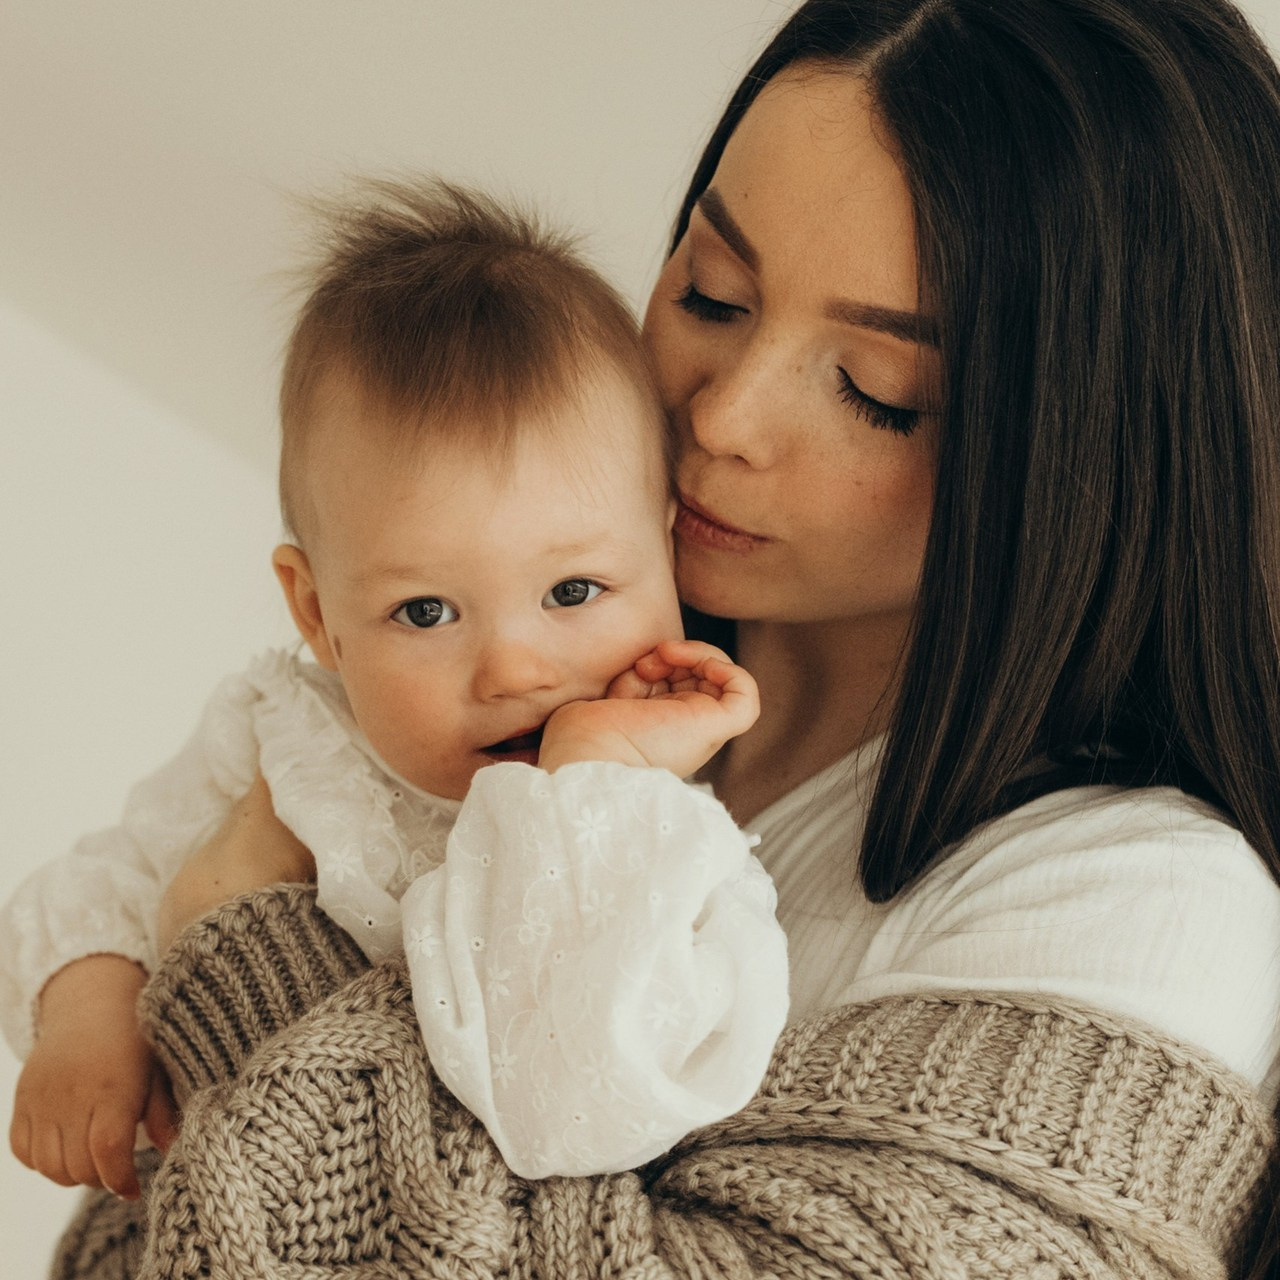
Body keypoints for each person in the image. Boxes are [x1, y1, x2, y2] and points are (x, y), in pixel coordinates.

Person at [44, 0, 1280, 1276]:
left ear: (1092, 453)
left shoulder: (1139, 902)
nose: (722, 413)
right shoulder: (473, 709)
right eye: (712, 294)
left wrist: (244, 953)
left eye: (875, 390)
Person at [1, 180, 790, 1195]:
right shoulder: (287, 735)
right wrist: (87, 1016)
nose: (514, 669)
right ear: (316, 613)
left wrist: (591, 778)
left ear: (667, 552)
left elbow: (588, 1094)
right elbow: (107, 881)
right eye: (425, 611)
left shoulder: (663, 836)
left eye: (572, 590)